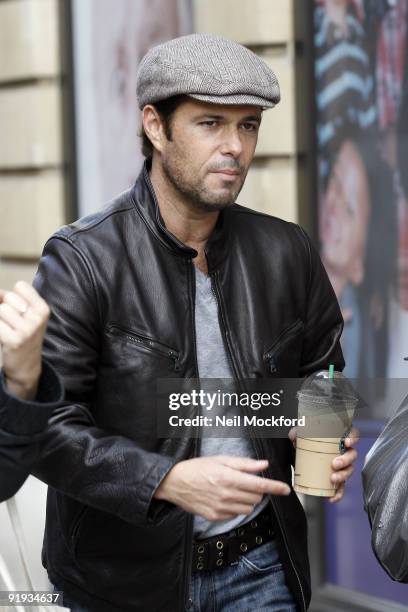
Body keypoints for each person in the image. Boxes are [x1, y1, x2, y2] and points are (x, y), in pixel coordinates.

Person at [32, 34, 358, 612]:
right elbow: (48, 430)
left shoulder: (288, 250)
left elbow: (322, 365)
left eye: (249, 126)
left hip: (262, 566)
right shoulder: (83, 259)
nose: (235, 146)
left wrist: (321, 433)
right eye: (211, 123)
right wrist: (165, 479)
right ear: (156, 127)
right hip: (125, 585)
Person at [0, 281, 63, 502]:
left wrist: (22, 382)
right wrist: (161, 478)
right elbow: (63, 423)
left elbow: (174, 421)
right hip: (117, 526)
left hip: (170, 523)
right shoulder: (80, 256)